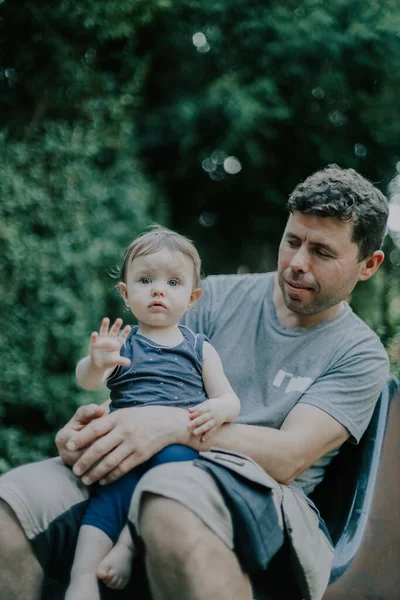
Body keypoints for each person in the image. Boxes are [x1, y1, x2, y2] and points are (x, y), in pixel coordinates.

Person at [0, 164, 390, 600]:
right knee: (11, 504)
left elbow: (288, 457)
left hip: (261, 489)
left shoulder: (358, 352)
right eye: (292, 241)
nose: (297, 263)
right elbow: (143, 384)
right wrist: (93, 433)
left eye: (322, 252)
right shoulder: (217, 296)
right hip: (142, 462)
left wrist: (168, 425)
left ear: (368, 265)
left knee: (168, 502)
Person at [64, 226, 240, 599]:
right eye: (146, 279)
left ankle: (127, 545)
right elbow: (87, 380)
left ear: (192, 298)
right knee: (107, 499)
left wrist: (218, 408)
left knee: (171, 473)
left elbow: (230, 398)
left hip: (176, 452)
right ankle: (81, 578)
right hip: (123, 447)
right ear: (126, 294)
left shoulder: (198, 348)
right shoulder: (123, 341)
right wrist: (96, 363)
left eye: (173, 282)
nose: (159, 289)